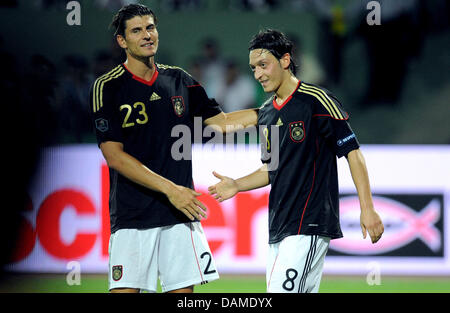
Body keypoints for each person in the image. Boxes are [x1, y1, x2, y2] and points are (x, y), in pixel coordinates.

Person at [90, 3, 257, 293]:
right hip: (133, 215)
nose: (147, 35)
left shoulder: (179, 79)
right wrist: (172, 189)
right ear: (122, 40)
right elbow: (114, 156)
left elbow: (222, 123)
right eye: (137, 30)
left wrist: (272, 112)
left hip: (180, 215)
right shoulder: (108, 86)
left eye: (151, 27)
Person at [208, 29, 384, 293]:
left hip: (309, 223)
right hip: (279, 227)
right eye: (254, 68)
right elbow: (271, 169)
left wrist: (367, 208)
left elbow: (353, 153)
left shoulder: (317, 100)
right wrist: (237, 185)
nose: (258, 75)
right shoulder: (267, 113)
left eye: (264, 65)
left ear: (286, 61)